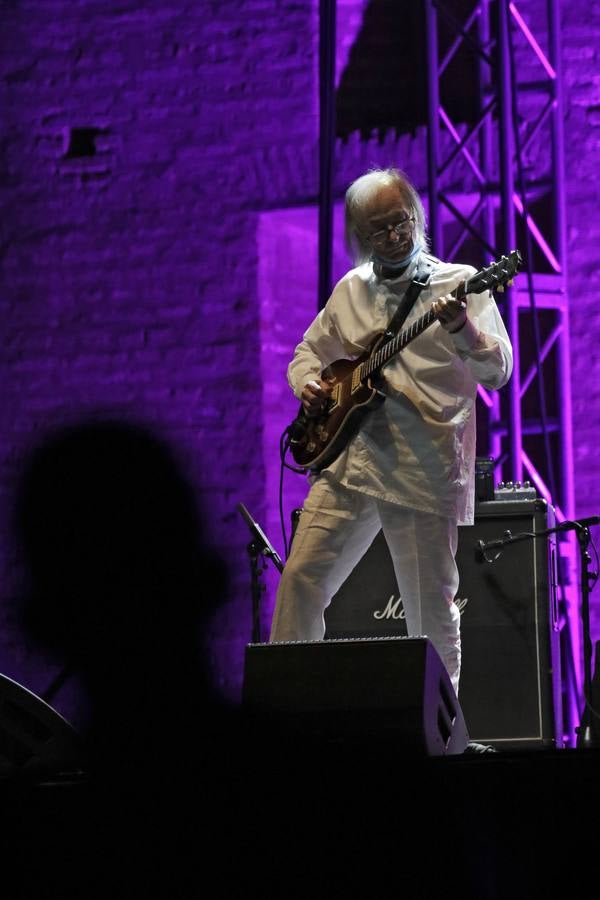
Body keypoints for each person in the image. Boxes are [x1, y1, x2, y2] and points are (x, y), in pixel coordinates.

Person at [269, 167, 513, 694]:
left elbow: (498, 371)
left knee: (430, 608)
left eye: (401, 223)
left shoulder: (459, 282)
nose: (394, 236)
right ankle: (290, 711)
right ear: (361, 235)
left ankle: (443, 736)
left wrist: (460, 328)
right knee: (300, 580)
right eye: (378, 230)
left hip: (420, 466)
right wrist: (309, 384)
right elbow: (309, 352)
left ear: (417, 216)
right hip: (349, 460)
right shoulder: (350, 290)